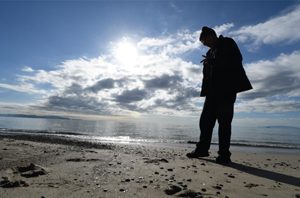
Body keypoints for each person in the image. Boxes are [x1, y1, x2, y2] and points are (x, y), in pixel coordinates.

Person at [186, 26, 252, 164]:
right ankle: (202, 149)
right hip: (212, 92)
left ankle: (224, 155)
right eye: (203, 43)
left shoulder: (227, 42)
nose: (205, 45)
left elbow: (236, 59)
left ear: (211, 36)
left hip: (226, 90)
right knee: (205, 122)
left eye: (204, 41)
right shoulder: (210, 52)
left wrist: (213, 62)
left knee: (224, 123)